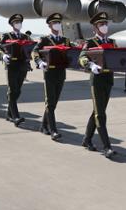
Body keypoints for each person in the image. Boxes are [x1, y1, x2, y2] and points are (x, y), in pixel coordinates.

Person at [78, 12, 117, 158]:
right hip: (97, 80)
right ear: (95, 28)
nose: (104, 26)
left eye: (106, 23)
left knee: (97, 110)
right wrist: (90, 65)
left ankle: (87, 139)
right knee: (100, 114)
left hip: (108, 79)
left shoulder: (112, 42)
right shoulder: (91, 42)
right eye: (101, 24)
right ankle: (106, 146)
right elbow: (81, 58)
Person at [32, 13, 71, 141]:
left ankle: (43, 125)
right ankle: (53, 130)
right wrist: (39, 62)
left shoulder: (65, 40)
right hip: (49, 72)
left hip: (61, 73)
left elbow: (71, 53)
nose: (58, 25)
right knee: (50, 101)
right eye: (55, 23)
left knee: (53, 102)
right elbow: (35, 51)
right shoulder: (45, 40)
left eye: (59, 22)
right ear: (50, 25)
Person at [0, 14, 32, 127]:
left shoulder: (26, 37)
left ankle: (9, 113)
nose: (19, 24)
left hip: (23, 66)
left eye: (20, 22)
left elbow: (31, 48)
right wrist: (2, 55)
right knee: (13, 90)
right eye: (16, 22)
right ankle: (15, 116)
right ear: (12, 24)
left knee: (18, 91)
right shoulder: (7, 36)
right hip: (12, 65)